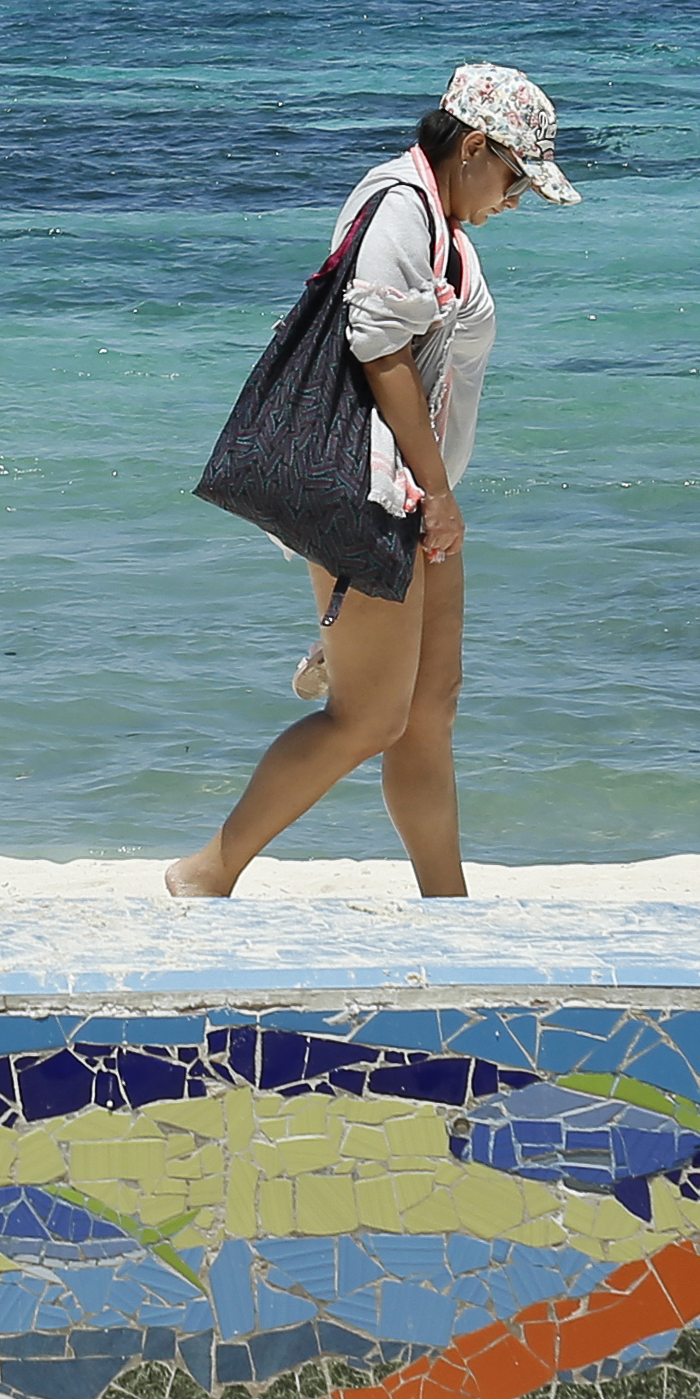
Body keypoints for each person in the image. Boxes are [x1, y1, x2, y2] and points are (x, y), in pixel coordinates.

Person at [165, 67, 572, 901]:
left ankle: (448, 907)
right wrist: (442, 496)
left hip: (422, 504)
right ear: (473, 148)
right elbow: (378, 353)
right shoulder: (400, 206)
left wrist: (441, 499)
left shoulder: (441, 222)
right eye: (516, 177)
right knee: (371, 718)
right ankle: (206, 872)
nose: (517, 199)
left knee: (430, 714)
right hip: (379, 497)